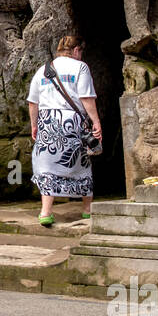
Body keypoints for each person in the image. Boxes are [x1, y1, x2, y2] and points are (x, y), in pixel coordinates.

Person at [27, 35, 102, 226]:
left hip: (47, 122)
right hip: (72, 121)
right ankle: (87, 209)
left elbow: (32, 102)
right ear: (76, 50)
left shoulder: (43, 70)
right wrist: (96, 122)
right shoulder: (80, 67)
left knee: (47, 166)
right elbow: (86, 98)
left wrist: (34, 124)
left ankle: (45, 212)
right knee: (81, 164)